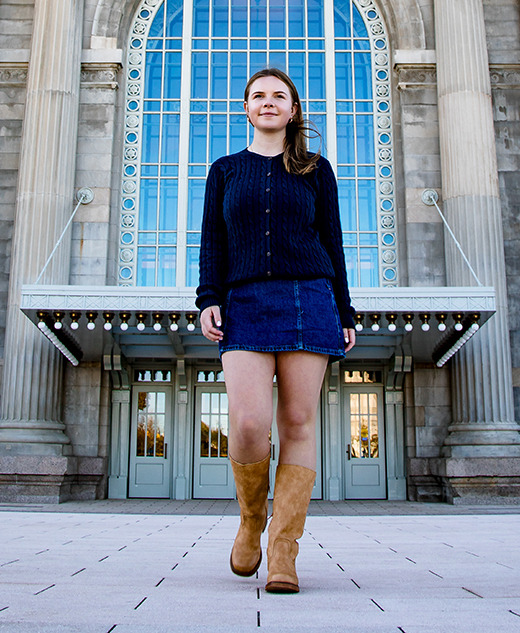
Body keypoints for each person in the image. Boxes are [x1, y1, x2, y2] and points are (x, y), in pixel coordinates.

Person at [196, 68, 356, 594]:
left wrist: (345, 312)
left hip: (309, 297)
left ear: (293, 111)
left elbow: (332, 243)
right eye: (258, 96)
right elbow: (213, 245)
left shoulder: (315, 169)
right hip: (244, 301)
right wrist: (208, 300)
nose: (268, 103)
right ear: (246, 109)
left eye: (278, 96)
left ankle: (283, 549)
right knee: (246, 423)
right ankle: (250, 519)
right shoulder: (224, 171)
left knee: (297, 421)